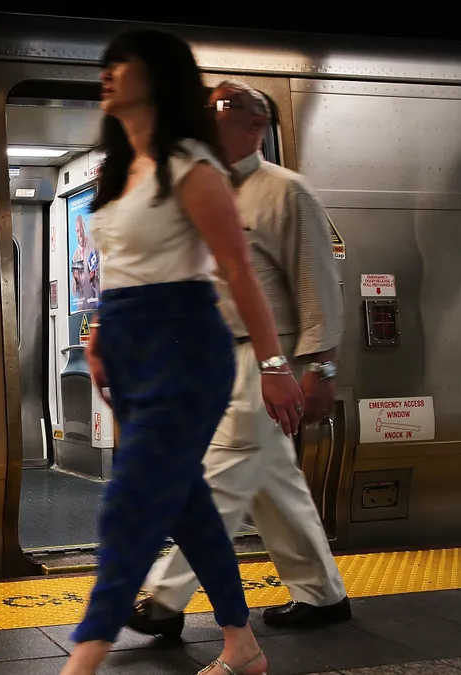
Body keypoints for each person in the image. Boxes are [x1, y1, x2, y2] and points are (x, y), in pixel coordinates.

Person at [58, 30, 304, 675]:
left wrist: (277, 367)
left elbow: (239, 272)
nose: (107, 72)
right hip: (132, 348)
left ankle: (81, 659)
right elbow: (119, 269)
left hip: (185, 348)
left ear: (156, 74)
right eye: (104, 61)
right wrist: (100, 335)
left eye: (122, 62)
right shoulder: (120, 169)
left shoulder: (190, 164)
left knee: (130, 501)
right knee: (190, 505)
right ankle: (242, 645)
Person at [125, 81, 351, 638]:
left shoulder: (285, 192)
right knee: (273, 481)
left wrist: (318, 369)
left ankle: (163, 596)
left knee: (219, 473)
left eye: (217, 114)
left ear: (254, 125)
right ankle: (322, 595)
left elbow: (319, 286)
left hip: (262, 360)